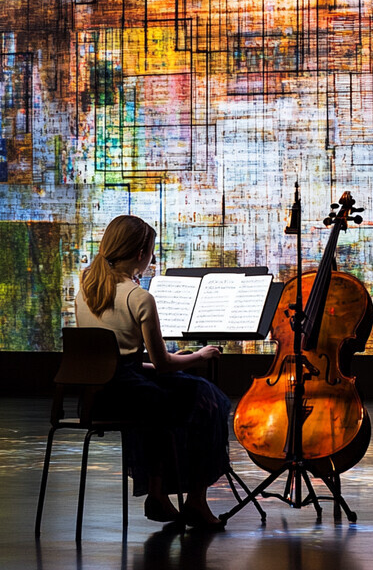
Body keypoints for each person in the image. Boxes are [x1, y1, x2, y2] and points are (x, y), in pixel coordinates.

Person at [74, 214, 230, 529]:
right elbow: (163, 364)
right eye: (152, 252)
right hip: (130, 398)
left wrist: (175, 361)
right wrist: (199, 355)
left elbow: (115, 361)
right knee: (208, 398)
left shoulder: (85, 291)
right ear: (141, 253)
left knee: (179, 390)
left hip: (97, 396)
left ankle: (158, 493)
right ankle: (195, 501)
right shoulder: (138, 297)